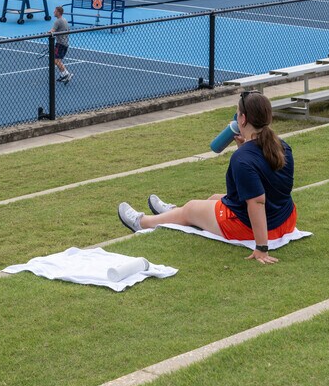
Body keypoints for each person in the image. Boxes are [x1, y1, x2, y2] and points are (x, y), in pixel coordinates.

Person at [117, 91, 296, 265]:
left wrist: (262, 247)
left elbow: (257, 202)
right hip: (285, 220)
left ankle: (143, 223)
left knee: (191, 208)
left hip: (257, 228)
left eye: (237, 113)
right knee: (213, 199)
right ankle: (174, 214)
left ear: (242, 119)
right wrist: (243, 148)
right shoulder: (281, 146)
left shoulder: (243, 159)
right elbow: (266, 181)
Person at [50, 6, 72, 83]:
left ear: (58, 12)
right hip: (65, 43)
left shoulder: (58, 21)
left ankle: (66, 74)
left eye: (55, 11)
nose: (54, 12)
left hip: (60, 44)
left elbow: (52, 31)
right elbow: (68, 31)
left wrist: (47, 33)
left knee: (56, 60)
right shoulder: (65, 20)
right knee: (57, 60)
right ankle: (63, 74)